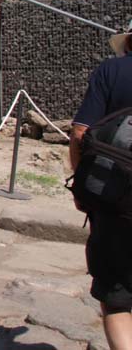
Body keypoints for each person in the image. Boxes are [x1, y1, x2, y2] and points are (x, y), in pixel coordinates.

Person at [71, 19, 132, 349]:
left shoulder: (111, 72)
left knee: (116, 298)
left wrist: (83, 189)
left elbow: (80, 132)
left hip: (115, 198)